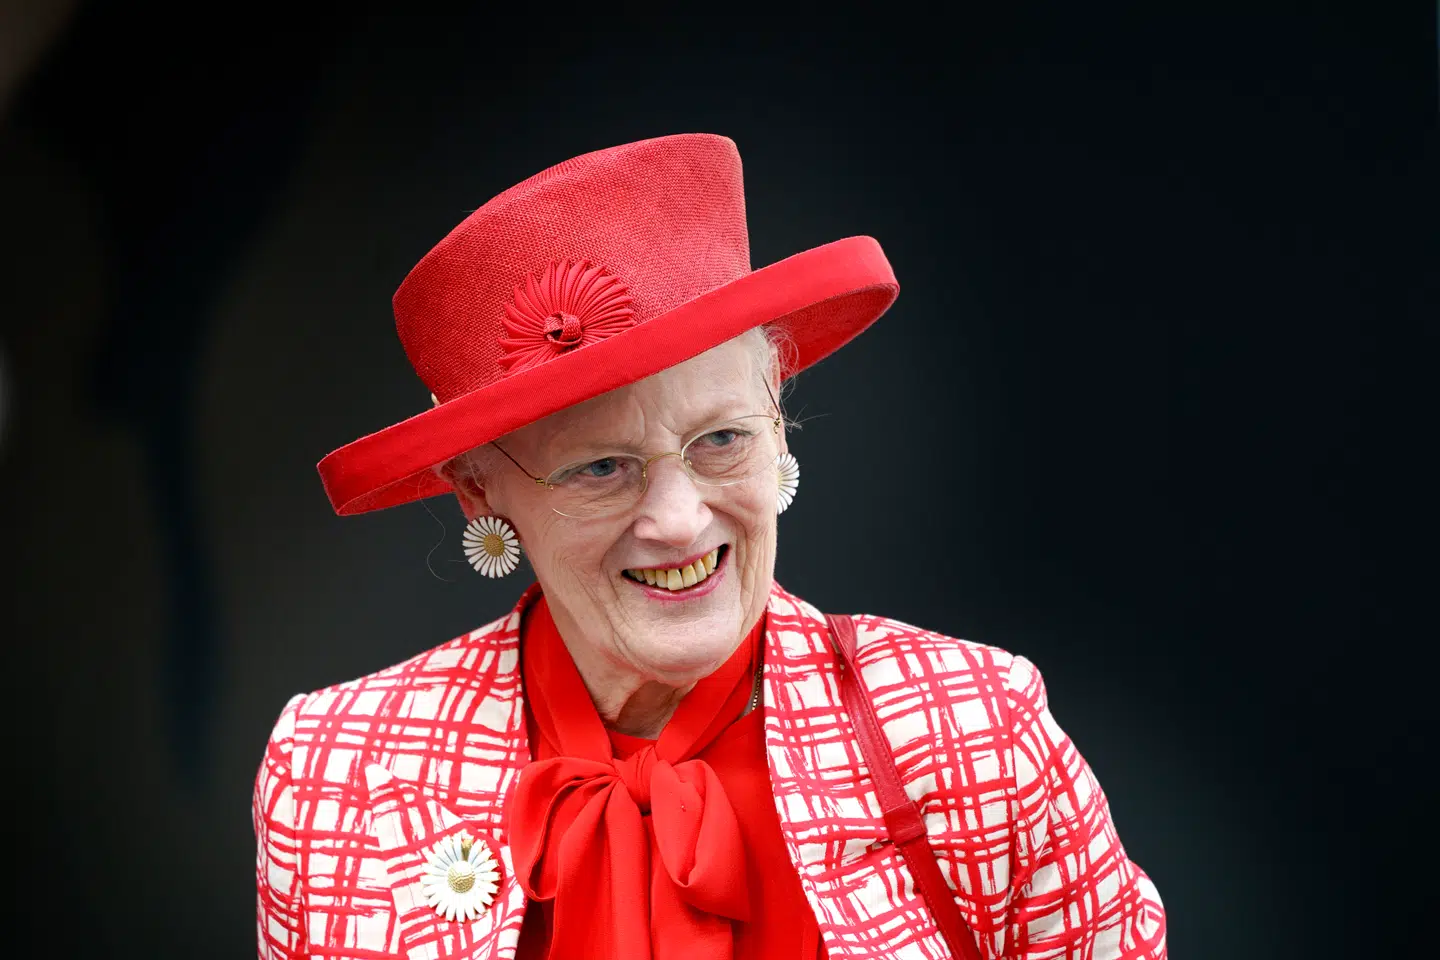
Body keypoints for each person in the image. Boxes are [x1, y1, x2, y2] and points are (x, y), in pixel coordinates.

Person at [253, 133, 1166, 960]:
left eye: (721, 440)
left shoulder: (972, 732)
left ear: (779, 416)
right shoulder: (338, 775)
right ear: (478, 491)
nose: (679, 520)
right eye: (602, 467)